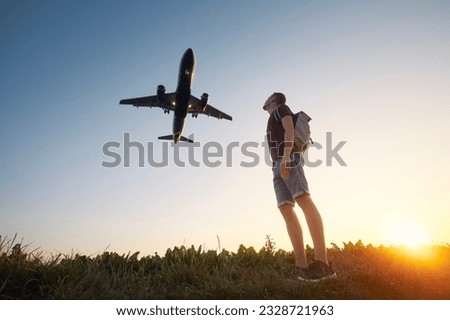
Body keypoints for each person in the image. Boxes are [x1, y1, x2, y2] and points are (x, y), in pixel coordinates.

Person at [263, 92, 336, 282]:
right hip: (277, 164)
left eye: (268, 97)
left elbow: (289, 129)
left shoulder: (281, 109)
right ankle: (301, 266)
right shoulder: (272, 116)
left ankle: (322, 264)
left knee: (303, 199)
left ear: (273, 99)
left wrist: (287, 155)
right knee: (286, 209)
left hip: (289, 158)